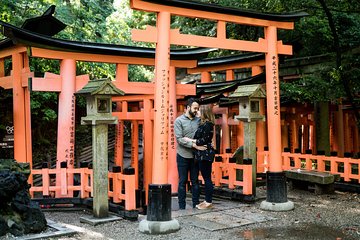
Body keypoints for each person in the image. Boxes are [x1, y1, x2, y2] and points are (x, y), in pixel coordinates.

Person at [174, 98, 206, 209]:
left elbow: (205, 133)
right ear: (188, 108)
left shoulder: (199, 120)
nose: (197, 110)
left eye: (198, 108)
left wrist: (202, 116)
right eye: (195, 108)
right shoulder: (179, 121)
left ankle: (195, 204)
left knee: (195, 181)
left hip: (195, 156)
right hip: (182, 155)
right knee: (182, 181)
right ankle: (181, 206)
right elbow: (179, 139)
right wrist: (194, 144)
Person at [183, 104, 215, 210]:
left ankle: (208, 201)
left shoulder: (208, 124)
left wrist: (190, 140)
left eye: (199, 111)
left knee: (207, 178)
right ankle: (207, 201)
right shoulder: (203, 124)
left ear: (205, 112)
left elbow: (203, 140)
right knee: (206, 178)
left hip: (205, 154)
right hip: (202, 153)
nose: (197, 112)